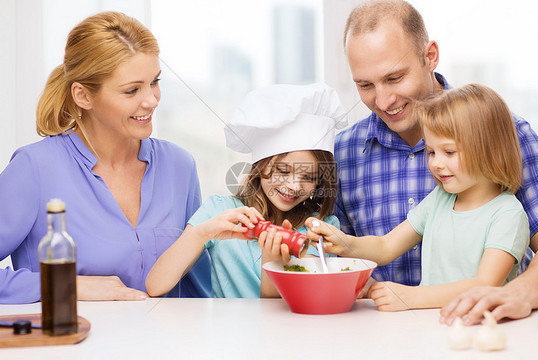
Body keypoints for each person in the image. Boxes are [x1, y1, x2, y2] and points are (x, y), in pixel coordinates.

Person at [335, 0, 538, 311]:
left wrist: (519, 293)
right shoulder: (343, 151)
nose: (384, 100)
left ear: (430, 57)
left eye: (394, 78)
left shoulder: (507, 134)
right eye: (365, 85)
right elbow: (342, 262)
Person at [0, 11, 211, 304]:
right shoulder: (34, 168)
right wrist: (69, 286)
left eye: (154, 82)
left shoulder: (179, 166)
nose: (151, 100)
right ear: (83, 96)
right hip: (70, 348)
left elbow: (198, 290)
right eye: (132, 90)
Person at [307, 83, 530, 310]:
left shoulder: (508, 214)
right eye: (431, 152)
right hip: (432, 327)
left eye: (449, 152)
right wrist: (346, 244)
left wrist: (411, 297)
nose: (436, 163)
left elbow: (484, 285)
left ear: (490, 150)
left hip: (479, 330)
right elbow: (386, 246)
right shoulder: (440, 199)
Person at [145, 83, 347, 298]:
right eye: (283, 171)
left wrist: (273, 261)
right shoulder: (220, 210)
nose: (294, 186)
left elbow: (289, 311)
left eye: (309, 177)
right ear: (261, 166)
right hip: (225, 331)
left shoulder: (319, 228)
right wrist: (202, 233)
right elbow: (156, 286)